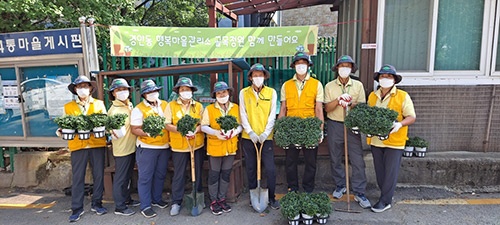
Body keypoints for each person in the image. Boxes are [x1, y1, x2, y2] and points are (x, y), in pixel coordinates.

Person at [324, 55, 371, 208]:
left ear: (351, 69)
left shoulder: (357, 85)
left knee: (357, 159)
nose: (344, 68)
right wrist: (338, 100)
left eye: (347, 66)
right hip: (334, 124)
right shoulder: (330, 86)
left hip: (352, 125)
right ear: (337, 68)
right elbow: (327, 108)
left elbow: (362, 106)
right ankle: (340, 185)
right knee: (335, 157)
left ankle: (359, 191)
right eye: (341, 65)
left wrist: (351, 103)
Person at [368, 65, 416, 213]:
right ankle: (385, 194)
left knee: (390, 172)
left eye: (389, 77)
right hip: (376, 140)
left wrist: (399, 124)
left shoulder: (402, 96)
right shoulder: (373, 96)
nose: (385, 79)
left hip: (395, 141)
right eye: (383, 76)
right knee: (380, 171)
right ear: (378, 79)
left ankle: (385, 200)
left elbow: (411, 117)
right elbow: (370, 116)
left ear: (394, 80)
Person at [278, 51, 324, 193]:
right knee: (290, 161)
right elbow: (283, 108)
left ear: (308, 65)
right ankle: (293, 188)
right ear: (294, 66)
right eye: (298, 63)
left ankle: (308, 188)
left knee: (311, 161)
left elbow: (318, 109)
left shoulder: (316, 84)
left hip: (309, 127)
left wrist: (320, 129)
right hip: (291, 127)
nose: (301, 66)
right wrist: (280, 128)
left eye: (303, 63)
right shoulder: (286, 85)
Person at [63, 75, 108, 222]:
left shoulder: (99, 104)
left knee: (99, 175)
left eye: (85, 86)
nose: (82, 89)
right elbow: (64, 124)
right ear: (75, 90)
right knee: (78, 177)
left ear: (90, 89)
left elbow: (104, 122)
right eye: (79, 87)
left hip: (97, 144)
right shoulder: (68, 107)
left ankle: (97, 203)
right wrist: (62, 131)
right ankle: (77, 208)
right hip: (78, 146)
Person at [239, 63, 280, 209]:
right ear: (250, 78)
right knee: (251, 168)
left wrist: (265, 133)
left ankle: (272, 197)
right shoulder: (243, 93)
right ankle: (253, 196)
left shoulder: (271, 92)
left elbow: (272, 115)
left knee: (270, 169)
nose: (258, 78)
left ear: (264, 77)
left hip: (266, 138)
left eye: (260, 75)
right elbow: (242, 113)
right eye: (255, 75)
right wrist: (249, 131)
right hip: (248, 137)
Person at [164, 77, 205, 216]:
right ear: (178, 92)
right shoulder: (171, 106)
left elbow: (202, 124)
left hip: (196, 144)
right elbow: (167, 124)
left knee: (198, 172)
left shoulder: (198, 106)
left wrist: (195, 131)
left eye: (187, 89)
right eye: (182, 89)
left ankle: (198, 197)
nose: (185, 92)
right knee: (179, 175)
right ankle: (176, 202)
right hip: (179, 146)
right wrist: (181, 130)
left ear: (192, 91)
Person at [130, 80, 171, 218]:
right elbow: (134, 129)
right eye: (149, 92)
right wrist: (147, 133)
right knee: (145, 177)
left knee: (160, 175)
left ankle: (157, 199)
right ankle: (145, 205)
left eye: (154, 91)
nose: (152, 94)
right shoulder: (138, 109)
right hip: (147, 148)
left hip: (164, 146)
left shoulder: (165, 105)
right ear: (144, 95)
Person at [201, 81, 242, 215]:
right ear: (215, 95)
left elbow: (240, 125)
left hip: (230, 147)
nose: (222, 95)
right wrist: (216, 133)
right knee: (214, 174)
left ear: (228, 93)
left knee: (225, 174)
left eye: (224, 92)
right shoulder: (209, 109)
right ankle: (213, 201)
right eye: (219, 93)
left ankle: (222, 198)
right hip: (215, 147)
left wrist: (234, 132)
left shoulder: (236, 108)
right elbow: (204, 126)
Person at [107, 78, 140, 216]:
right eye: (119, 90)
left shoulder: (129, 105)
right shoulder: (114, 110)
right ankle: (120, 207)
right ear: (113, 93)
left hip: (131, 147)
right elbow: (112, 130)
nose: (122, 92)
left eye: (124, 89)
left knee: (127, 176)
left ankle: (126, 199)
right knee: (121, 178)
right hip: (122, 149)